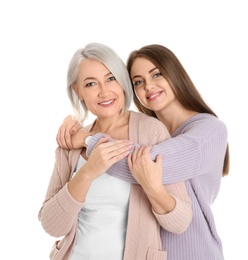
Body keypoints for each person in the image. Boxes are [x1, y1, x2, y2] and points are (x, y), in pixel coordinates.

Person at [56, 44, 230, 260]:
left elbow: (145, 164)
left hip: (193, 252)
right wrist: (76, 122)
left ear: (176, 75)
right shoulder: (148, 131)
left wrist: (88, 139)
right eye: (138, 81)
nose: (148, 86)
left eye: (157, 74)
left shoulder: (210, 130)